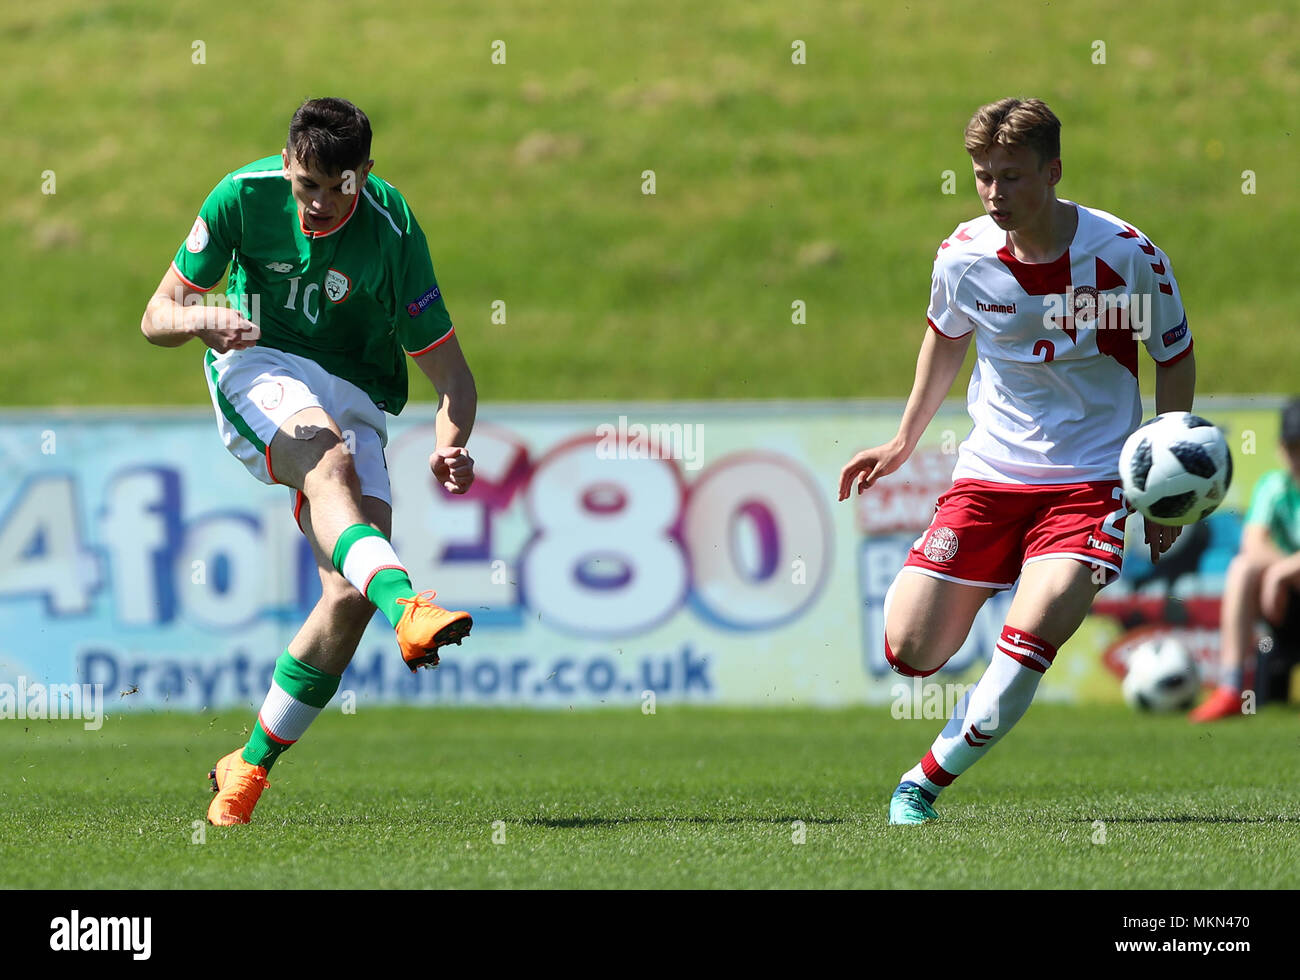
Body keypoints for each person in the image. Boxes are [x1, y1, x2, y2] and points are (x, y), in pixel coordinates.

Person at [838, 97, 1195, 824]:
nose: (996, 193)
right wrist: (903, 440)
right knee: (910, 649)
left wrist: (1162, 490)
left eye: (1012, 176)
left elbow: (1175, 357)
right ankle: (981, 596)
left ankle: (921, 784)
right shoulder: (964, 255)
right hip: (990, 477)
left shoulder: (1125, 255)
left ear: (1053, 171)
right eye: (983, 177)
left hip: (1091, 483)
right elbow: (944, 338)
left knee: (1031, 634)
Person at [140, 97, 478, 825]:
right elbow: (156, 316)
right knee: (327, 465)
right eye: (306, 185)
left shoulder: (394, 230)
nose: (319, 203)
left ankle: (248, 766)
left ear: (365, 173)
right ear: (288, 164)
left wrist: (452, 442)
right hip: (258, 361)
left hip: (356, 386)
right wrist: (203, 316)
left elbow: (453, 378)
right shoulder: (242, 196)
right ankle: (410, 606)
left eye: (338, 186)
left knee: (348, 593)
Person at [1190, 399, 1300, 721]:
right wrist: (1282, 571)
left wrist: (1281, 572)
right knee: (1242, 567)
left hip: (1283, 589)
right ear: (1282, 449)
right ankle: (1231, 687)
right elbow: (1253, 543)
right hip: (1286, 603)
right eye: (1295, 447)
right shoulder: (1274, 486)